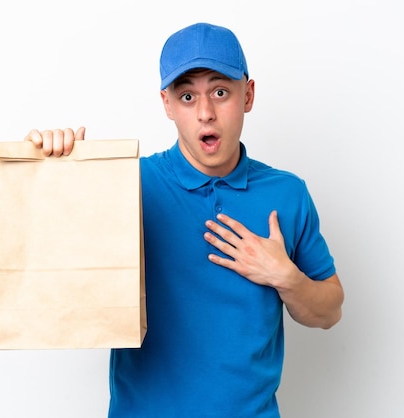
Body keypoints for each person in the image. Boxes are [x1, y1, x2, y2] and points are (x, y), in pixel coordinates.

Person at [25, 22, 344, 418]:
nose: (206, 113)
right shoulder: (129, 184)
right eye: (188, 95)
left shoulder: (287, 193)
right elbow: (52, 269)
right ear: (167, 104)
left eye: (221, 92)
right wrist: (54, 170)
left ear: (249, 94)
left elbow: (329, 311)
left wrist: (286, 277)